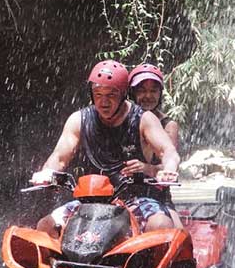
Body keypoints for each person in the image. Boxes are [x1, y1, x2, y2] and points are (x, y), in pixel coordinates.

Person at [31, 60, 180, 238]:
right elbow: (59, 158)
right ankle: (59, 266)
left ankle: (149, 264)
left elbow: (168, 152)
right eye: (98, 94)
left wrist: (169, 170)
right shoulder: (79, 119)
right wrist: (48, 172)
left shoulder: (144, 119)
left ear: (124, 94)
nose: (103, 101)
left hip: (135, 198)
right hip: (91, 199)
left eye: (111, 94)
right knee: (45, 225)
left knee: (162, 224)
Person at [126, 63, 180, 216]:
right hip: (122, 195)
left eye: (153, 91)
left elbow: (171, 167)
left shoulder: (168, 125)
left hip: (157, 197)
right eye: (142, 91)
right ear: (132, 93)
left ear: (160, 94)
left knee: (176, 233)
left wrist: (146, 168)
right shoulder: (121, 122)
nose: (148, 96)